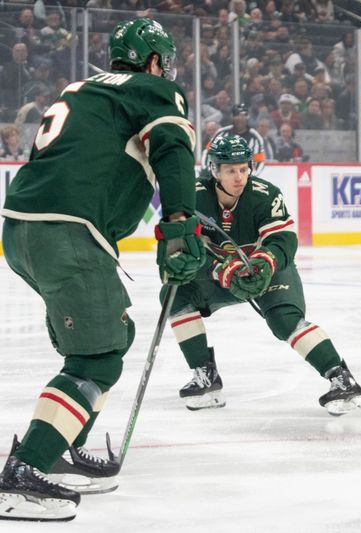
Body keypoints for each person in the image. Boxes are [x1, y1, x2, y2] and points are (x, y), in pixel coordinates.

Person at [0, 18, 205, 522]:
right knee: (97, 360)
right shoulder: (154, 90)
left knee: (115, 334)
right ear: (154, 61)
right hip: (69, 232)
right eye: (165, 61)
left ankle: (64, 446)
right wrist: (179, 224)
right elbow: (173, 152)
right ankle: (22, 474)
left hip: (21, 227)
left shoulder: (81, 89)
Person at [165, 135, 361, 415]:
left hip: (266, 272)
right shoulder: (193, 197)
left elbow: (283, 240)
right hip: (219, 276)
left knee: (285, 321)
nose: (239, 177)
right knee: (174, 293)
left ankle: (340, 377)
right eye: (230, 170)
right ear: (214, 169)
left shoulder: (265, 194)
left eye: (244, 169)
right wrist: (218, 269)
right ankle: (205, 375)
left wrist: (265, 263)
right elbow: (182, 250)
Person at [203, 102, 271, 175]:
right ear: (232, 117)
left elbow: (259, 160)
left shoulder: (256, 138)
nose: (239, 118)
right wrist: (208, 170)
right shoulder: (221, 134)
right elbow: (208, 152)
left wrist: (251, 176)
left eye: (243, 115)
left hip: (245, 178)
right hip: (222, 177)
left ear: (247, 117)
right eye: (236, 115)